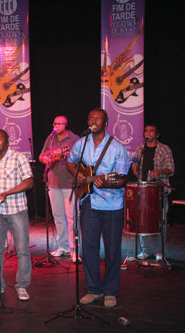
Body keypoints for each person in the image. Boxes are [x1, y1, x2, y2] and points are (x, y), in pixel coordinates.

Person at [67, 108, 130, 308]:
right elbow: (71, 161)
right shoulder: (82, 143)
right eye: (91, 117)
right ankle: (93, 289)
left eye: (98, 118)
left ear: (105, 122)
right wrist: (78, 175)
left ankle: (110, 291)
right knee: (89, 248)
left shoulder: (117, 148)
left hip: (112, 205)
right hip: (89, 202)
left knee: (112, 250)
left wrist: (106, 183)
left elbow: (120, 180)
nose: (94, 120)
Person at [0, 129, 34, 301]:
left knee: (22, 250)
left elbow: (29, 182)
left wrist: (7, 193)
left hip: (16, 209)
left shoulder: (19, 157)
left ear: (7, 141)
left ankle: (22, 286)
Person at [39, 116, 80, 262]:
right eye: (55, 123)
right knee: (58, 217)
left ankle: (74, 249)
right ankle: (63, 246)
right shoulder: (50, 139)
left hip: (69, 182)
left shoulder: (74, 139)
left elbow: (80, 158)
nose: (57, 126)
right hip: (53, 182)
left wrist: (65, 155)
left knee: (72, 218)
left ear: (66, 125)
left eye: (60, 124)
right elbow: (42, 156)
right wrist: (49, 159)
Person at [133, 124, 174, 262]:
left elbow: (171, 169)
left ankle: (159, 250)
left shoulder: (164, 149)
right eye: (146, 131)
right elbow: (135, 166)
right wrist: (134, 168)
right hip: (143, 189)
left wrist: (160, 171)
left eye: (151, 131)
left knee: (159, 222)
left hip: (159, 190)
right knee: (142, 220)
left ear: (157, 134)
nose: (148, 133)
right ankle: (146, 250)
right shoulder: (140, 148)